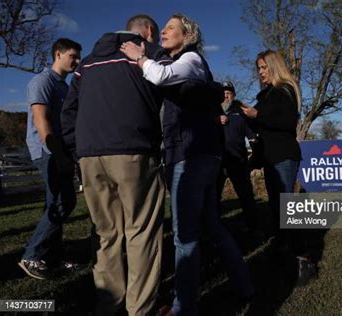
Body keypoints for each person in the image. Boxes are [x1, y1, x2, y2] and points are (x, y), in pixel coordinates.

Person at [121, 14, 253, 315]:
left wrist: (140, 58)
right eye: (163, 28)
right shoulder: (182, 62)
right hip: (200, 155)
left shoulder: (191, 59)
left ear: (187, 36)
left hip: (190, 157)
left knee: (185, 236)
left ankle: (184, 307)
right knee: (212, 226)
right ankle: (245, 286)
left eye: (171, 28)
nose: (164, 32)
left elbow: (161, 77)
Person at [61, 15, 166, 315]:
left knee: (105, 233)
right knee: (141, 232)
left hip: (91, 156)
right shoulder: (147, 53)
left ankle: (108, 305)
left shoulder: (87, 64)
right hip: (133, 151)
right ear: (147, 32)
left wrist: (77, 151)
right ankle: (139, 309)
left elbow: (69, 111)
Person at [241, 50, 316, 286]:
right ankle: (283, 252)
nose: (261, 72)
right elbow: (261, 124)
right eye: (259, 68)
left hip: (284, 156)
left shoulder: (285, 89)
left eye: (264, 67)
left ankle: (305, 259)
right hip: (271, 158)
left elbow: (286, 123)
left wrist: (257, 114)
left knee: (287, 209)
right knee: (277, 209)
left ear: (274, 66)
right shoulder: (266, 94)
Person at [20, 38, 81, 280]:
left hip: (61, 152)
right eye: (72, 56)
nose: (76, 61)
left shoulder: (65, 87)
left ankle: (52, 259)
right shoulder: (42, 81)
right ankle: (31, 256)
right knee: (63, 202)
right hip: (47, 151)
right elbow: (41, 120)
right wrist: (58, 154)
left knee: (53, 203)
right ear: (58, 54)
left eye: (78, 57)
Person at [217, 81, 260, 232]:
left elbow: (252, 137)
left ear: (233, 95)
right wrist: (215, 121)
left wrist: (256, 155)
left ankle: (253, 226)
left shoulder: (241, 112)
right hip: (217, 162)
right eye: (223, 92)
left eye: (229, 92)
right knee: (214, 197)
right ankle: (215, 228)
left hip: (238, 161)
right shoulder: (212, 111)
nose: (226, 95)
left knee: (246, 195)